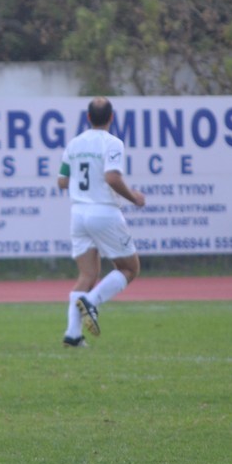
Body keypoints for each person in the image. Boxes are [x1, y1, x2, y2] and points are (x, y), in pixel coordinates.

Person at [57, 97, 146, 347]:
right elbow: (112, 177)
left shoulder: (74, 143)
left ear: (88, 117)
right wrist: (134, 197)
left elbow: (62, 181)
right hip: (104, 211)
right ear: (111, 118)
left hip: (78, 214)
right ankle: (92, 301)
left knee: (88, 274)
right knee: (129, 268)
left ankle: (73, 334)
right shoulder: (112, 143)